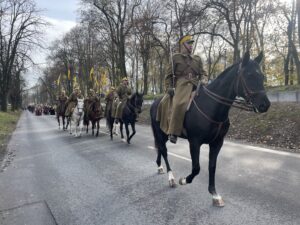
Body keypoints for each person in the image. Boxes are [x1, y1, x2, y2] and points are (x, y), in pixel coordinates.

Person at [165, 34, 208, 144]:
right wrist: (169, 87)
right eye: (189, 43)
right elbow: (169, 76)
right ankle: (173, 132)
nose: (191, 46)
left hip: (196, 84)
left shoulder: (197, 59)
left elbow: (203, 73)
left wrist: (203, 80)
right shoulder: (175, 58)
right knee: (179, 103)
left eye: (191, 44)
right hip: (181, 84)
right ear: (183, 45)